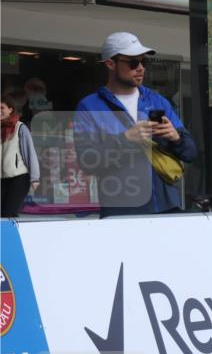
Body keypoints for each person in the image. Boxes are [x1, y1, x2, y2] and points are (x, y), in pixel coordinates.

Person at [74, 32, 197, 218]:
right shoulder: (89, 106)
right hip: (122, 210)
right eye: (133, 63)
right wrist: (126, 139)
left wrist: (176, 138)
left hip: (167, 206)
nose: (140, 68)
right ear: (110, 64)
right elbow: (88, 162)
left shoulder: (158, 101)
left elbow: (191, 153)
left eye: (143, 62)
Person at [1, 95, 40, 217]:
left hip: (19, 178)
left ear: (10, 109)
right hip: (1, 179)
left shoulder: (20, 128)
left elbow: (30, 153)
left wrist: (35, 178)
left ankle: (10, 236)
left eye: (2, 107)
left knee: (9, 213)